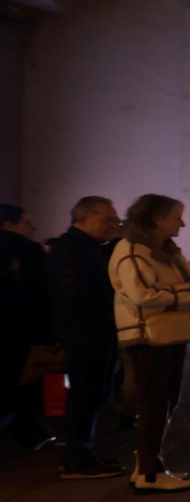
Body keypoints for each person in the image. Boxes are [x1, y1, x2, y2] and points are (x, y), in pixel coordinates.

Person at [111, 194, 190, 492]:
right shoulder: (132, 250)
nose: (182, 223)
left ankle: (148, 466)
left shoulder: (167, 251)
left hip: (169, 332)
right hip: (147, 335)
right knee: (154, 402)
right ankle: (148, 473)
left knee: (166, 400)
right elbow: (143, 294)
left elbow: (189, 285)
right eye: (176, 217)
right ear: (157, 219)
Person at [46, 197, 125, 477]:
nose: (112, 226)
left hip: (92, 333)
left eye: (115, 220)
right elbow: (72, 297)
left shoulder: (89, 248)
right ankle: (77, 458)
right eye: (107, 220)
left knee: (93, 395)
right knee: (85, 395)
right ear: (82, 218)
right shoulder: (73, 250)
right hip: (86, 335)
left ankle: (83, 452)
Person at [0, 203, 56, 450]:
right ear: (9, 225)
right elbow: (41, 294)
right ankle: (34, 434)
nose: (33, 227)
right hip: (18, 329)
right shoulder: (28, 250)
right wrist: (48, 334)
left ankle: (34, 434)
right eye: (28, 222)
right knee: (19, 384)